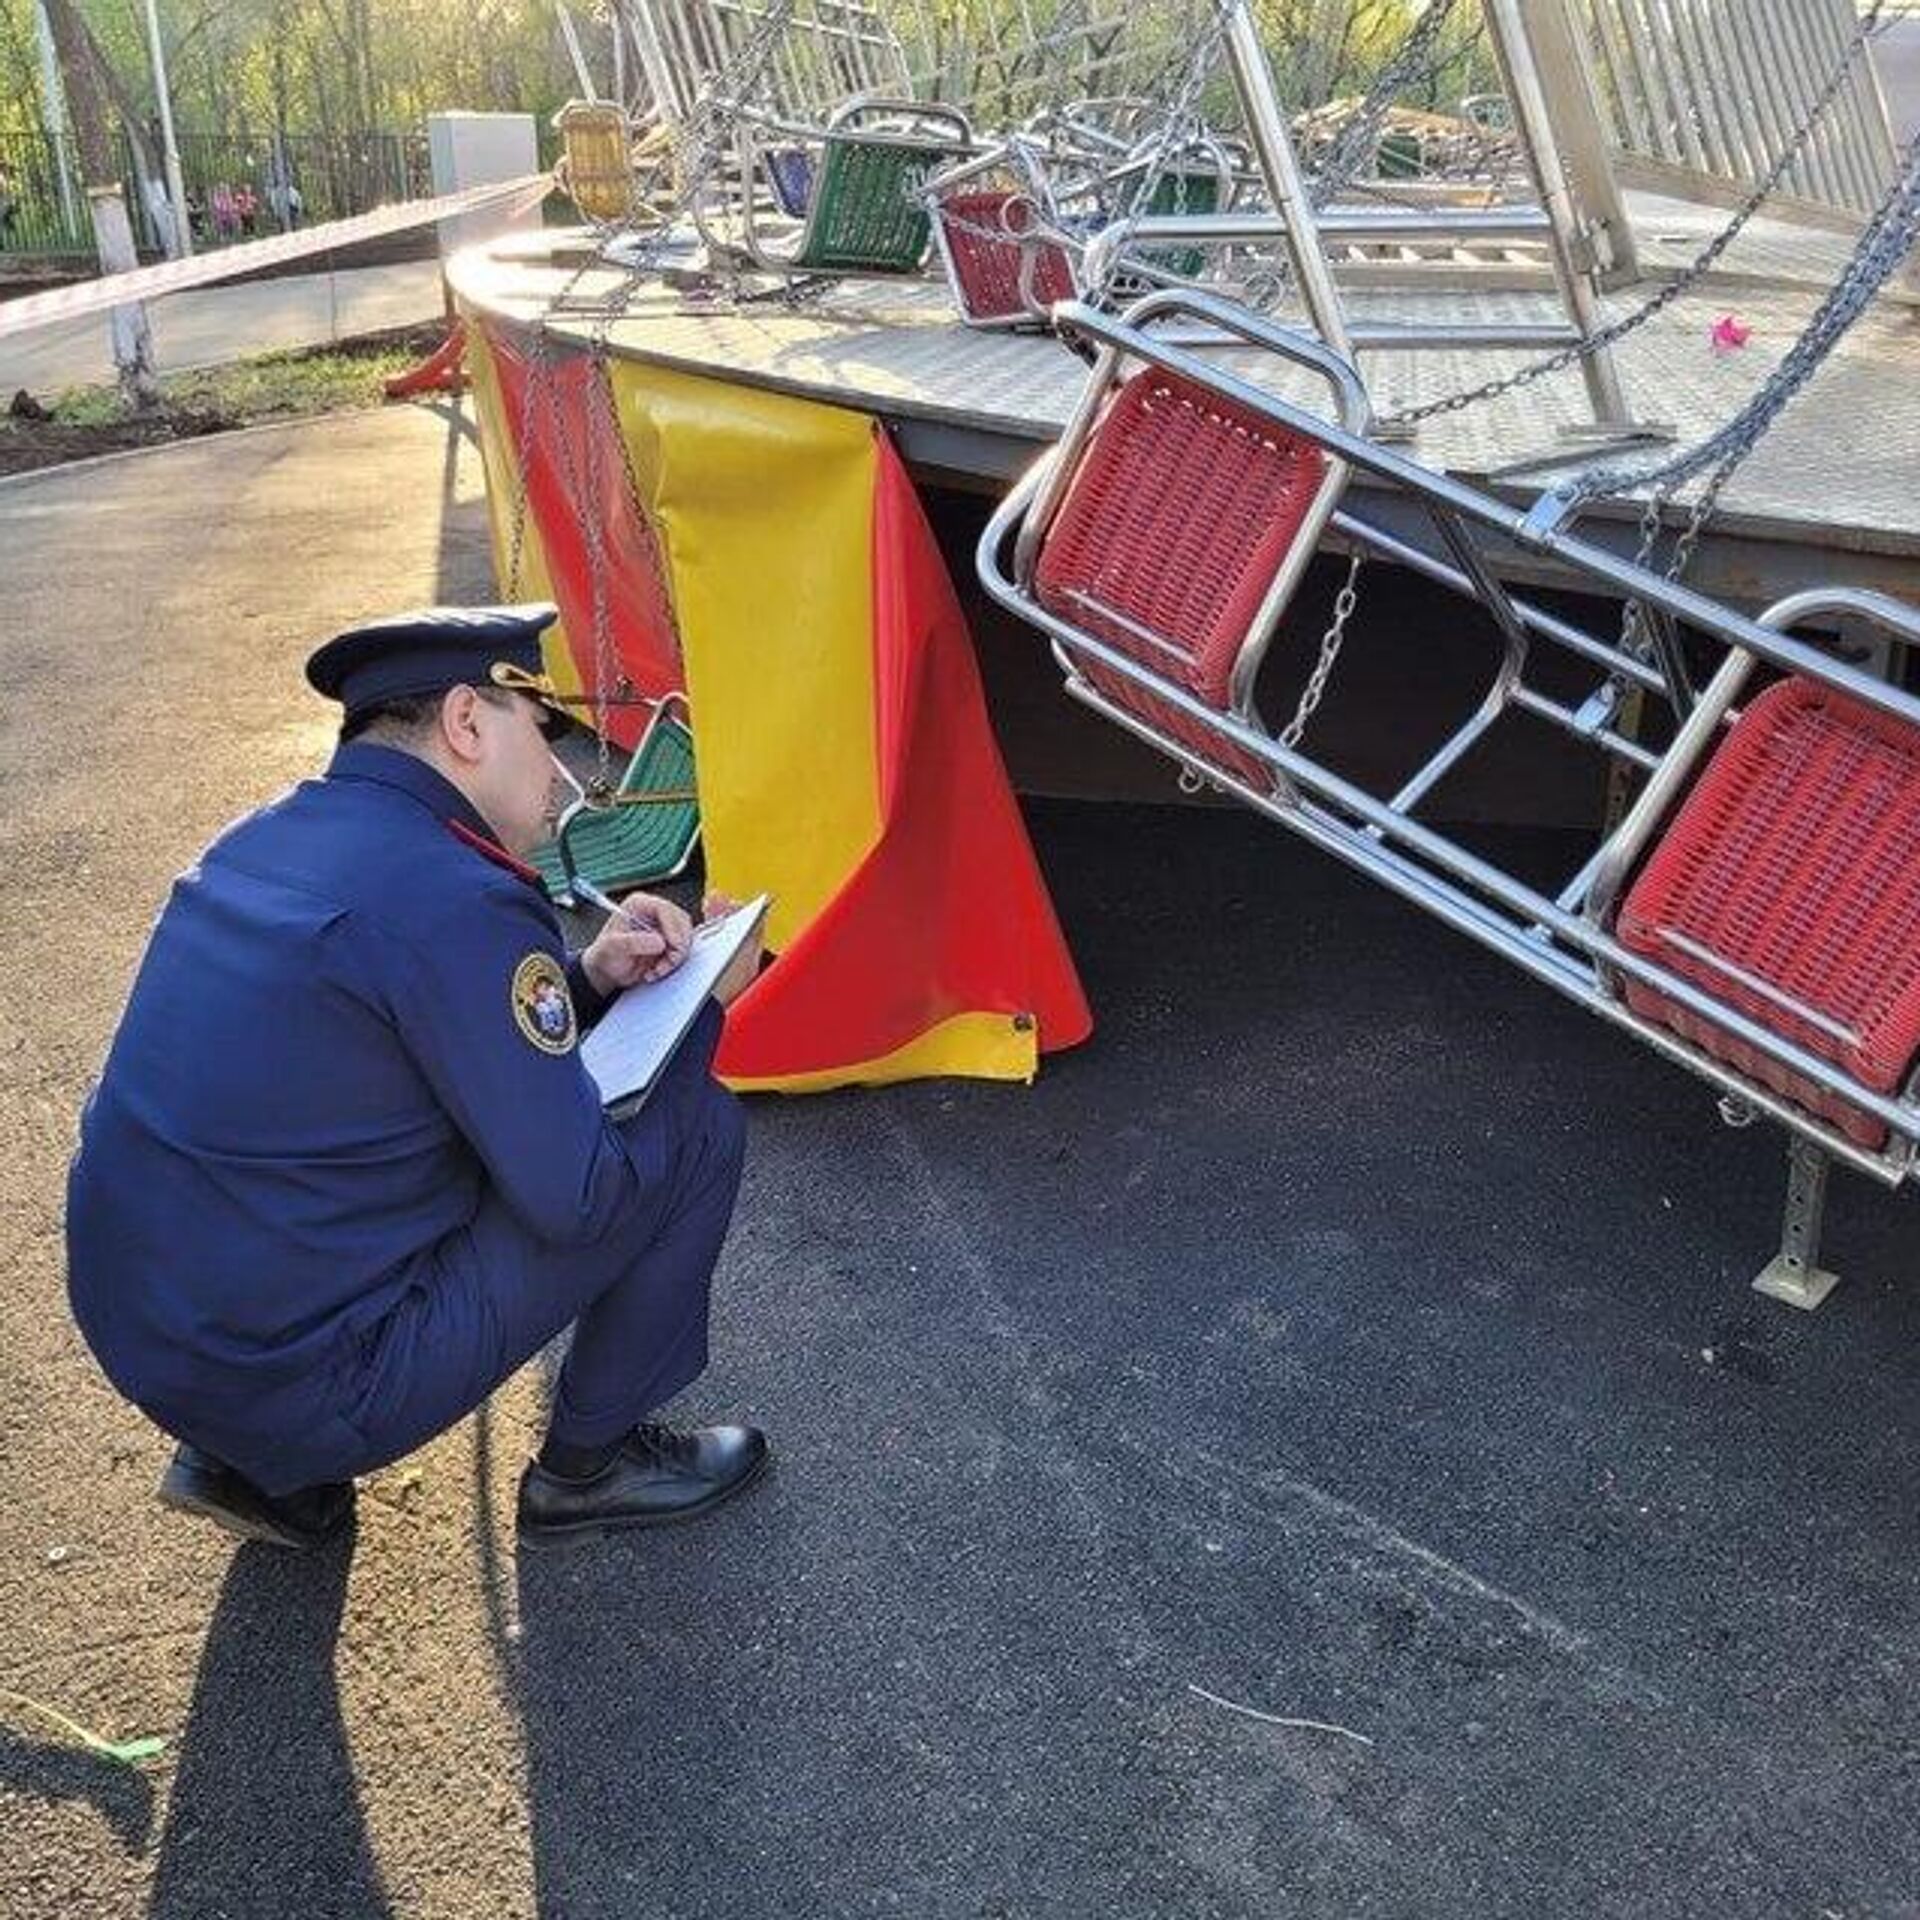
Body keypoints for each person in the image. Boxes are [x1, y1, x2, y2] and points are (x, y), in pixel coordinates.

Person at [66, 605, 768, 1551]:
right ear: (469, 723)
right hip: (299, 1379)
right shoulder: (461, 893)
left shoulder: (259, 837)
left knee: (342, 1148)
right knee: (693, 1133)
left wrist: (592, 979)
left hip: (149, 1337)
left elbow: (414, 1029)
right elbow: (584, 1200)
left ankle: (251, 1465)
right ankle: (590, 1468)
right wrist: (706, 1002)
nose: (557, 772)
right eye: (540, 728)